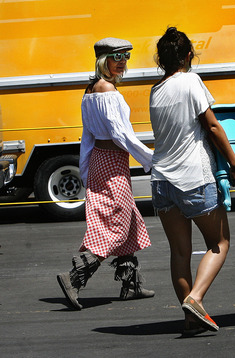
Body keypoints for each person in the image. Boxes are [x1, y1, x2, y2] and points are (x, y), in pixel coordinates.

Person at [149, 27, 235, 335]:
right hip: (194, 177)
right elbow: (213, 127)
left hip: (161, 181)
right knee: (219, 242)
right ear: (189, 55)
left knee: (179, 253)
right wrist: (234, 163)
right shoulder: (191, 81)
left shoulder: (156, 89)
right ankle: (196, 298)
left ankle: (191, 320)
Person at [57, 37, 155, 310]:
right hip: (112, 161)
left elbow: (87, 137)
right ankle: (75, 276)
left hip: (103, 159)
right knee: (117, 221)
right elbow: (121, 134)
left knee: (128, 218)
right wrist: (150, 158)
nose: (123, 63)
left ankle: (131, 284)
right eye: (118, 57)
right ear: (104, 61)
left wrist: (87, 169)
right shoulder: (107, 90)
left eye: (126, 57)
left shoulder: (89, 91)